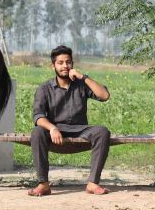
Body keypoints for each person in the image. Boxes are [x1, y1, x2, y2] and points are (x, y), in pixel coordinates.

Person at [28, 45, 111, 196]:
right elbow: (38, 116)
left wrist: (83, 77)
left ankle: (92, 183)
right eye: (60, 63)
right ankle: (43, 184)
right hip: (56, 130)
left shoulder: (81, 85)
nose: (65, 66)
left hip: (80, 129)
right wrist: (52, 128)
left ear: (72, 64)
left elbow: (104, 96)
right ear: (53, 65)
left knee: (102, 132)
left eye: (68, 62)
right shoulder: (44, 88)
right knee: (37, 132)